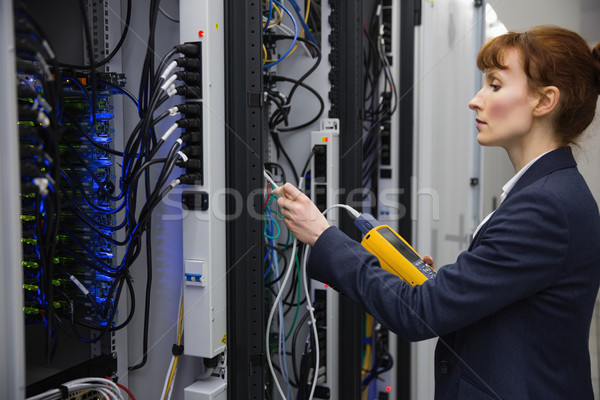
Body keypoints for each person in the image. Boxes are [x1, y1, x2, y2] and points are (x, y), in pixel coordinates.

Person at [274, 26, 600, 399]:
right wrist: (446, 284)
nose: (475, 100)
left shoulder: (545, 206)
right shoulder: (549, 190)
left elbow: (418, 314)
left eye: (494, 85)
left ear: (545, 101)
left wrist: (322, 236)